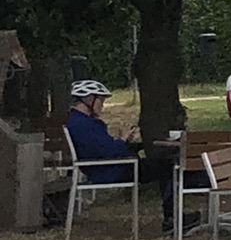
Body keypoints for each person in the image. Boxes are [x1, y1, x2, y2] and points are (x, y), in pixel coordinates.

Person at [63, 80, 179, 231]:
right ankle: (172, 218)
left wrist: (125, 143)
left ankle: (172, 217)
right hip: (110, 171)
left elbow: (104, 147)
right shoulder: (83, 125)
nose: (103, 106)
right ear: (89, 99)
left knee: (161, 163)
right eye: (101, 101)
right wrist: (122, 140)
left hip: (110, 167)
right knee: (166, 166)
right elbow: (107, 151)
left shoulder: (82, 122)